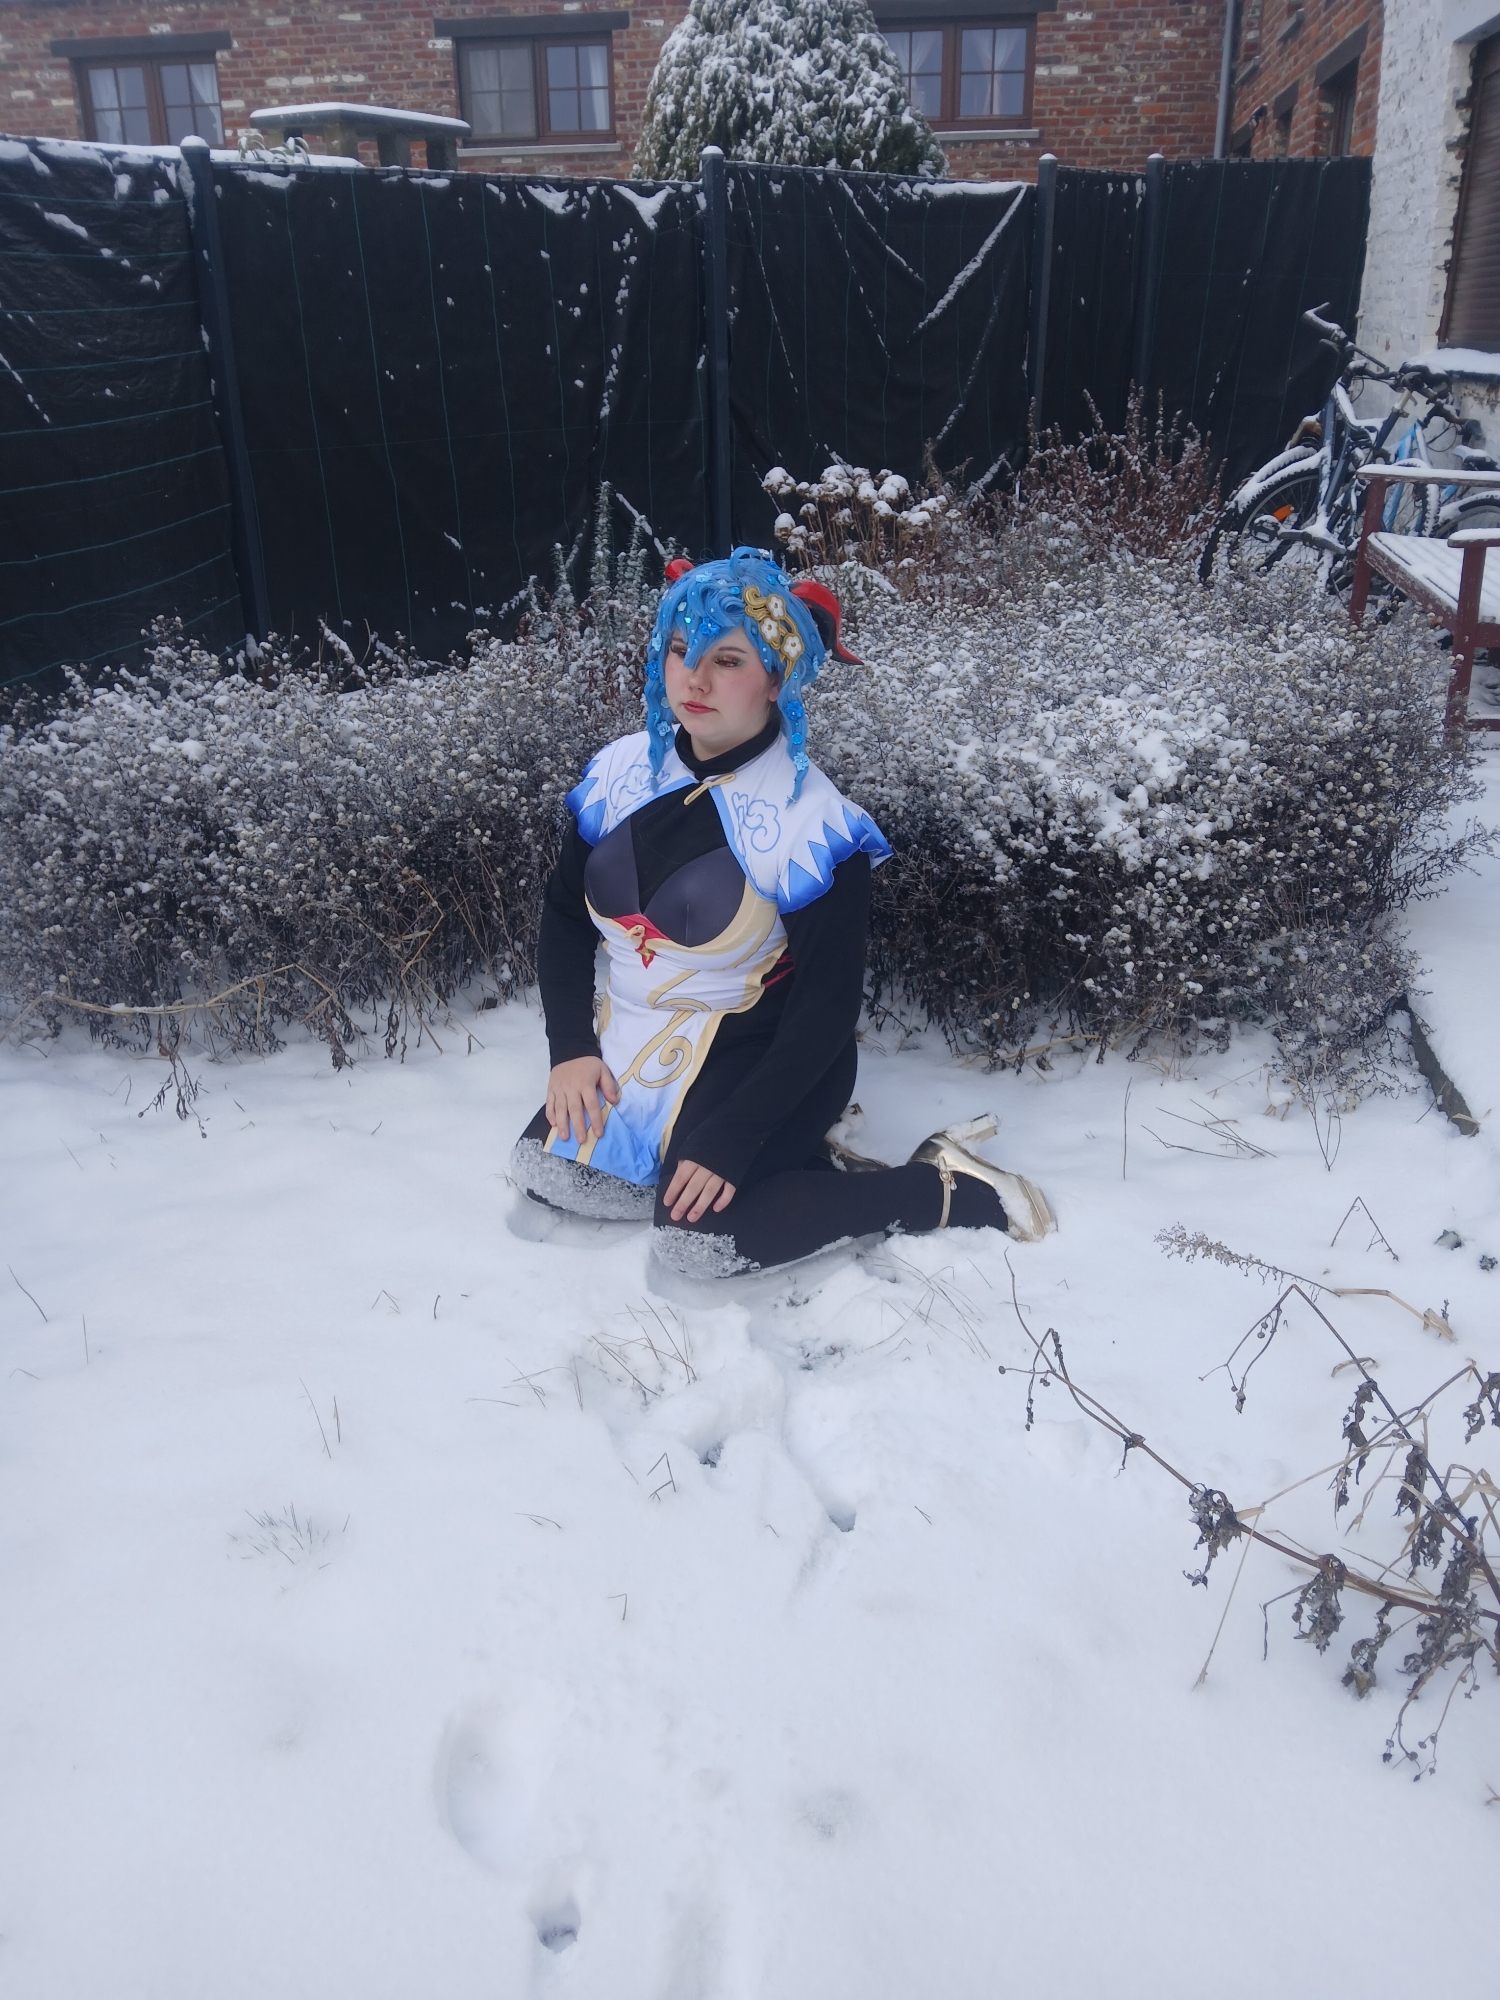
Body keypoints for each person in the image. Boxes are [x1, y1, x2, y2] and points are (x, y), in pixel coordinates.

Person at [511, 546, 1054, 1277]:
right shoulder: (619, 772)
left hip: (769, 1051)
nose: (695, 679)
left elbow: (824, 1013)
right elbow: (564, 917)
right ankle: (793, 1165)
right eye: (679, 650)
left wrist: (735, 1134)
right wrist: (572, 1050)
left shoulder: (816, 827)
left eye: (728, 660)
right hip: (639, 1037)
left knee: (695, 1241)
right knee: (553, 1175)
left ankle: (942, 1190)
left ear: (778, 676)